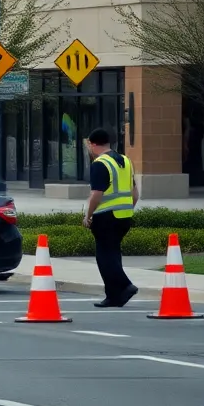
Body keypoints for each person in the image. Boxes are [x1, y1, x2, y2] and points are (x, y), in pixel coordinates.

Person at [83, 128, 139, 307]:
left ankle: (125, 285)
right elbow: (135, 192)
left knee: (104, 256)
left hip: (105, 217)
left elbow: (97, 194)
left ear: (92, 144)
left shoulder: (100, 164)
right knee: (113, 254)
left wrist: (88, 215)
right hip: (125, 216)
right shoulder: (125, 161)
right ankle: (114, 296)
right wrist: (129, 209)